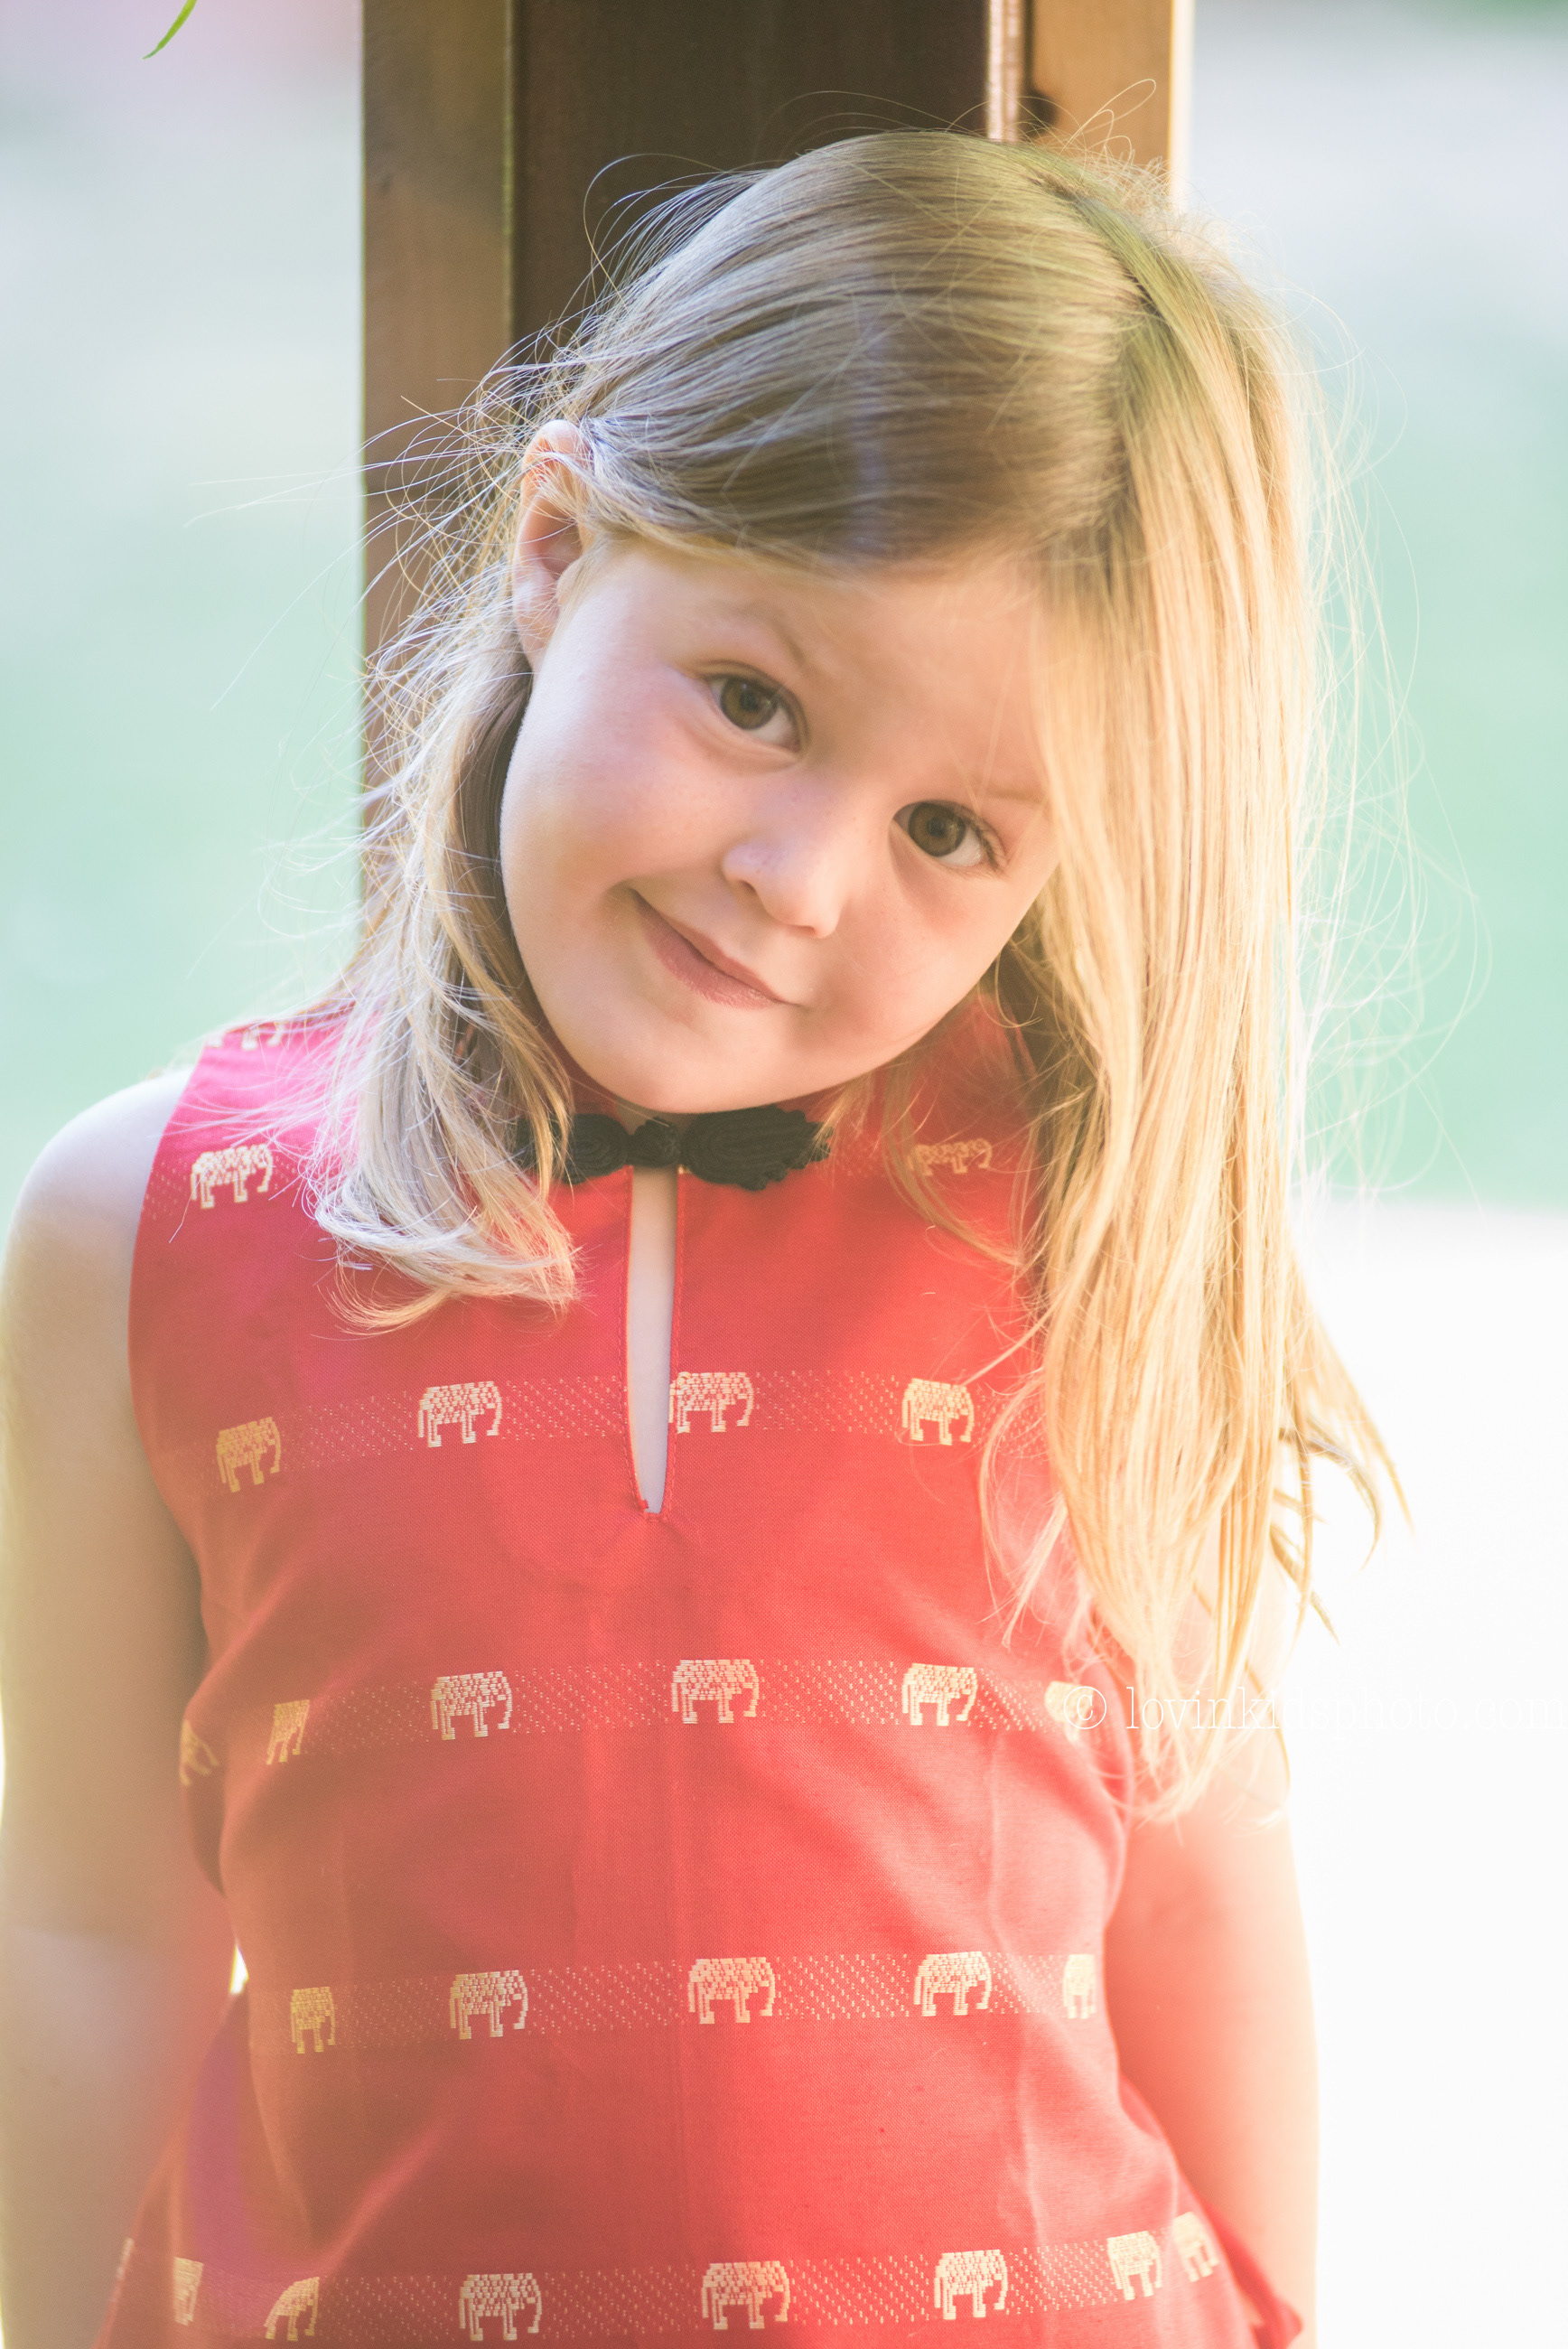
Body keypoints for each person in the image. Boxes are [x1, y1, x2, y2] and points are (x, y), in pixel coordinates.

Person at [0, 131, 1389, 2349]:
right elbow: (89, 1939)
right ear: (554, 549)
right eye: (754, 701)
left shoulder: (1099, 1221)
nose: (800, 879)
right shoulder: (139, 1228)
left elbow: (1200, 1904)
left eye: (951, 829)